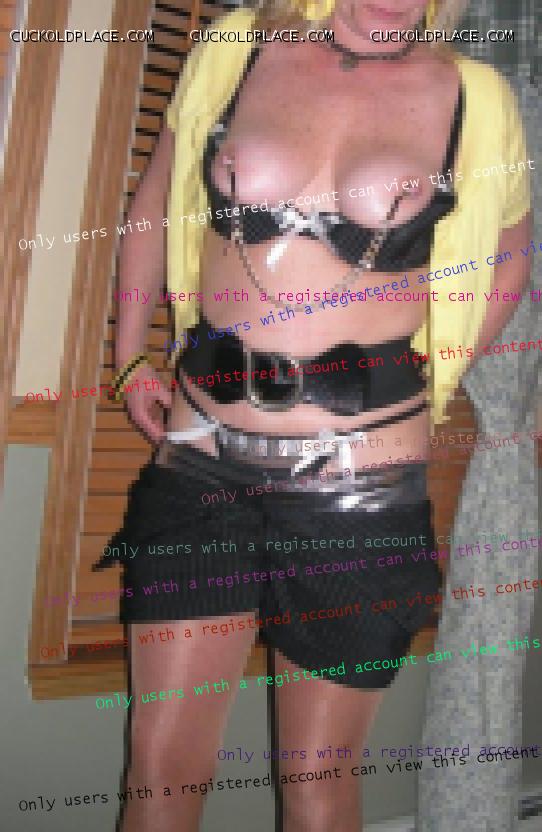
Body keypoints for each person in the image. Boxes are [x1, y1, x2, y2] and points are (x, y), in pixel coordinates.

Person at [93, 1, 532, 829]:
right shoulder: (236, 47)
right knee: (158, 766)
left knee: (318, 784)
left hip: (360, 477)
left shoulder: (473, 95)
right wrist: (130, 357)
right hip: (198, 459)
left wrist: (439, 370)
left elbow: (509, 255)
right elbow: (154, 202)